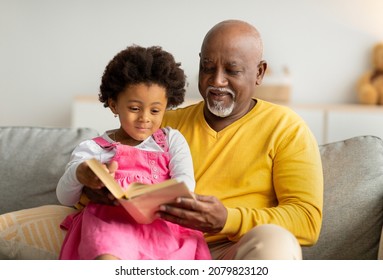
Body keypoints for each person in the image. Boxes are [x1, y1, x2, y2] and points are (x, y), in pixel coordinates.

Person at [85, 19, 324, 260]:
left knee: (276, 242)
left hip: (232, 252)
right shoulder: (163, 124)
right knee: (52, 217)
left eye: (232, 70)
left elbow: (306, 220)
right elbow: (111, 175)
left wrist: (226, 220)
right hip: (155, 247)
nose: (217, 80)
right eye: (208, 67)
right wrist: (95, 189)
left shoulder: (286, 128)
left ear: (259, 72)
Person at [56, 45, 211, 260]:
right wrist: (80, 174)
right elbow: (64, 197)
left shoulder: (170, 140)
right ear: (113, 105)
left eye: (155, 110)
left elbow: (185, 182)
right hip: (111, 226)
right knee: (106, 256)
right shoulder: (94, 148)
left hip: (162, 228)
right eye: (135, 108)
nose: (145, 118)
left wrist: (153, 197)